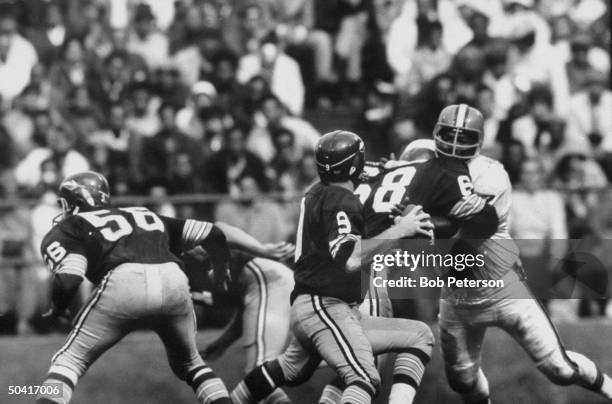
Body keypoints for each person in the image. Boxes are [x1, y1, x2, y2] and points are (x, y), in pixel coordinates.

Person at [417, 105, 612, 403]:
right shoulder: (425, 167)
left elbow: (464, 233)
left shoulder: (490, 174)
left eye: (464, 136)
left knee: (560, 369)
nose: (455, 144)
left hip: (501, 287)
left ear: (480, 140)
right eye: (448, 134)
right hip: (457, 296)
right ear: (436, 134)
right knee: (463, 382)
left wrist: (412, 213)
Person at [231, 130, 435, 404]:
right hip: (326, 307)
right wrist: (400, 229)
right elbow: (350, 258)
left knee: (419, 335)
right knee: (365, 376)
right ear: (354, 165)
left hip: (325, 308)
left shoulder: (319, 191)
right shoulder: (341, 199)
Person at [35, 171, 233, 404]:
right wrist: (220, 269)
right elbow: (214, 233)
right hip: (174, 279)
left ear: (75, 202)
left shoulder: (72, 226)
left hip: (123, 283)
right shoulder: (142, 213)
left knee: (69, 362)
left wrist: (58, 309)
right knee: (192, 364)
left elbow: (69, 278)